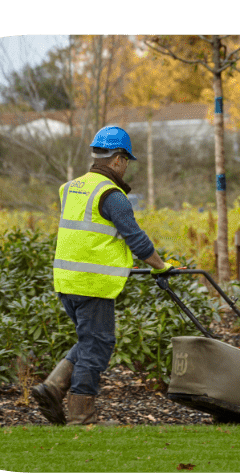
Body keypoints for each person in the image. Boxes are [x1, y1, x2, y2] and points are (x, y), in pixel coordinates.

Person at [30, 126, 169, 427]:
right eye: (126, 161)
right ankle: (82, 417)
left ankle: (52, 388)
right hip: (93, 285)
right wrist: (161, 266)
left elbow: (88, 237)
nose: (126, 166)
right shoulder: (112, 196)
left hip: (66, 282)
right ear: (118, 159)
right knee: (97, 346)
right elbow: (137, 240)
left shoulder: (71, 188)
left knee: (90, 339)